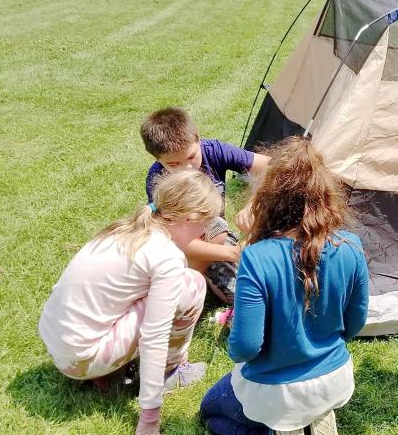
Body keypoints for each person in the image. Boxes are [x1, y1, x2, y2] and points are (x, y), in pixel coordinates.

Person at [199, 136, 369, 435]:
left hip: (274, 388)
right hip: (333, 377)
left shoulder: (256, 257)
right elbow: (354, 324)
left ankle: (279, 424)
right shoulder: (351, 246)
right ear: (326, 195)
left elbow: (245, 347)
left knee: (211, 408)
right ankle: (307, 418)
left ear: (269, 197)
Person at [39, 170, 223, 435]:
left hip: (58, 343)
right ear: (189, 218)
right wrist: (149, 417)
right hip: (79, 360)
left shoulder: (125, 229)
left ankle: (106, 371)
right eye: (205, 224)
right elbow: (154, 336)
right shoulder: (166, 256)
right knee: (192, 285)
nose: (205, 232)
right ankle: (171, 373)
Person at [141, 107, 269, 303]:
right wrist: (233, 253)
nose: (187, 167)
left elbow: (272, 166)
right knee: (248, 297)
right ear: (157, 159)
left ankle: (195, 281)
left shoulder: (214, 151)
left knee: (265, 280)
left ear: (198, 139)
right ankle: (183, 284)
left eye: (192, 157)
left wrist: (253, 204)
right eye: (173, 164)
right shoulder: (157, 179)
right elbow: (181, 241)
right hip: (187, 248)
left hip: (219, 238)